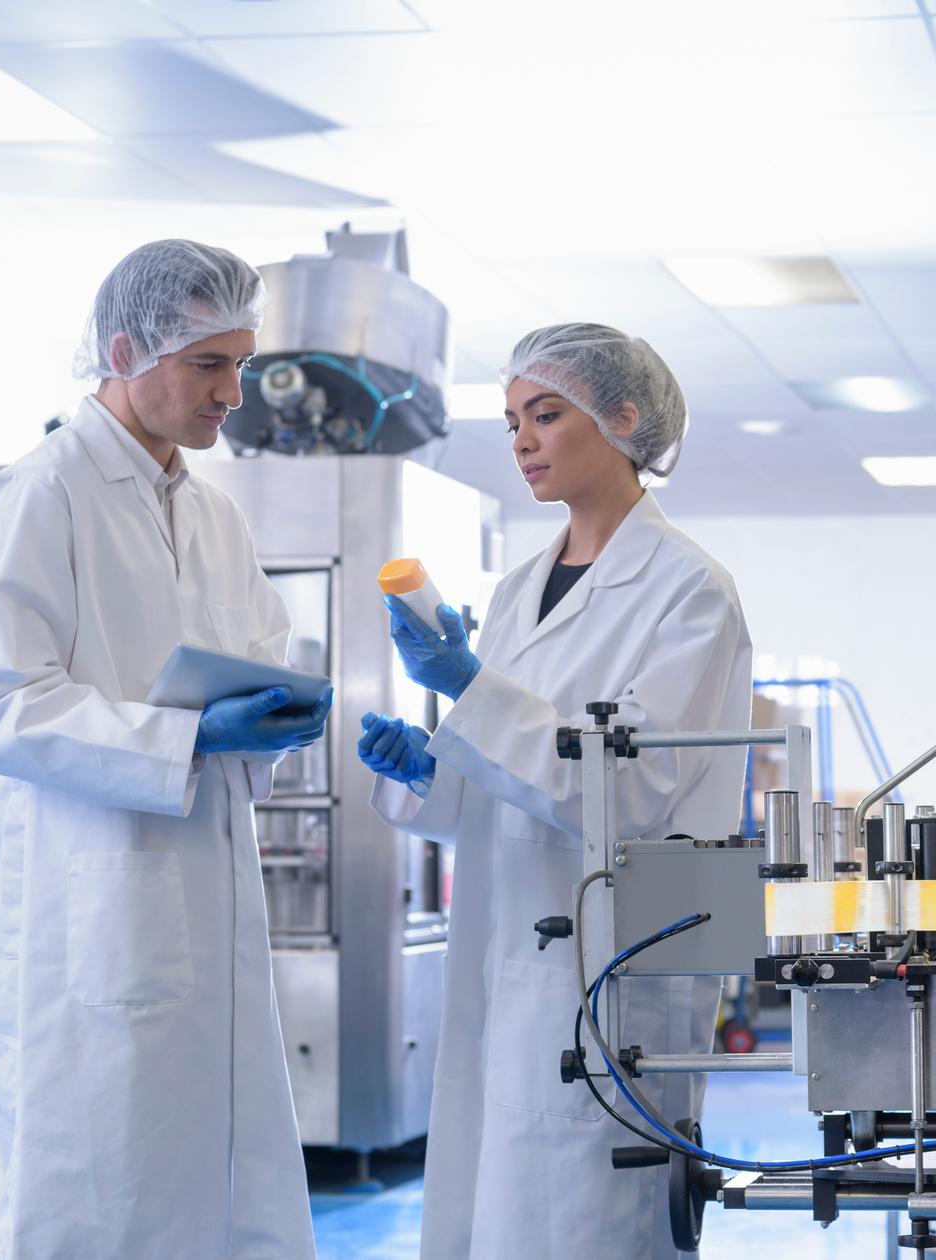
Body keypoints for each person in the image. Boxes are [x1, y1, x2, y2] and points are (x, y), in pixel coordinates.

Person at [0, 239, 325, 1260]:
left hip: (209, 899)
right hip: (93, 920)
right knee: (100, 1187)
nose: (231, 394)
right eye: (209, 365)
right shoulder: (38, 495)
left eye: (241, 366)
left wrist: (272, 720)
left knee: (218, 1184)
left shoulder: (212, 516)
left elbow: (255, 657)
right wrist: (188, 733)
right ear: (125, 351)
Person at [357, 323, 753, 1259]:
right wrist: (431, 772)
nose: (523, 441)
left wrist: (470, 691)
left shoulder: (689, 589)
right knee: (498, 1208)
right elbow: (508, 792)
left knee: (589, 1220)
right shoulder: (514, 592)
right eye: (511, 422)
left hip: (615, 965)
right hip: (509, 949)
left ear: (623, 420)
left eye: (546, 414)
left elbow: (638, 789)